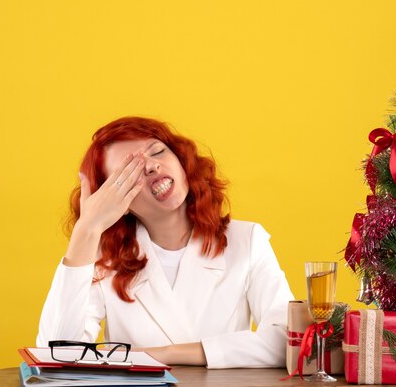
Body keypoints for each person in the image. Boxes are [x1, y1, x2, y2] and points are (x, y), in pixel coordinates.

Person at [36, 116, 295, 368]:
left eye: (157, 151)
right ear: (115, 200)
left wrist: (163, 355)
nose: (150, 166)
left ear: (181, 162)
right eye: (129, 171)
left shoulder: (246, 240)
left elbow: (290, 341)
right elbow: (56, 356)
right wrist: (86, 231)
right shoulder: (104, 258)